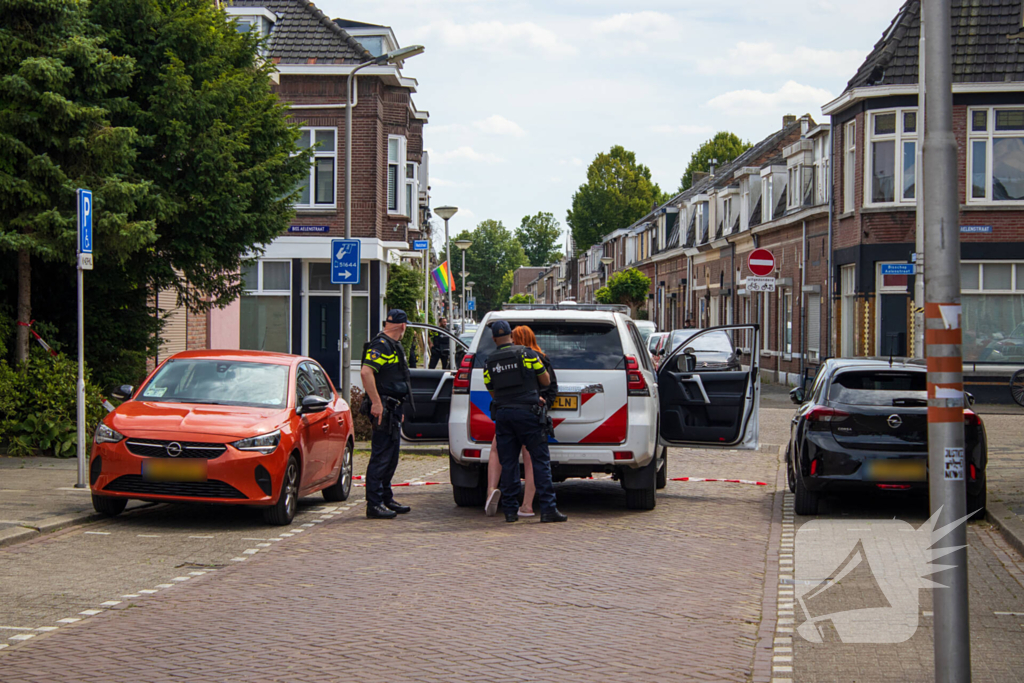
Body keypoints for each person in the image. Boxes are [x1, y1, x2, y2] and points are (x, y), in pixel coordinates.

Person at [483, 319, 567, 524]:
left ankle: (510, 511)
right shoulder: (528, 354)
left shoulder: (489, 362)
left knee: (509, 462)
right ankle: (548, 509)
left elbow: (491, 389)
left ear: (494, 339)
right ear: (511, 336)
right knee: (539, 461)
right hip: (528, 414)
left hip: (503, 414)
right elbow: (546, 381)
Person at [360, 309, 414, 520]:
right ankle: (374, 504)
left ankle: (386, 497)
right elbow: (366, 372)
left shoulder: (393, 346)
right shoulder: (380, 346)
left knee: (391, 457)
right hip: (383, 407)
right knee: (381, 457)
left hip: (393, 408)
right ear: (402, 326)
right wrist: (376, 403)